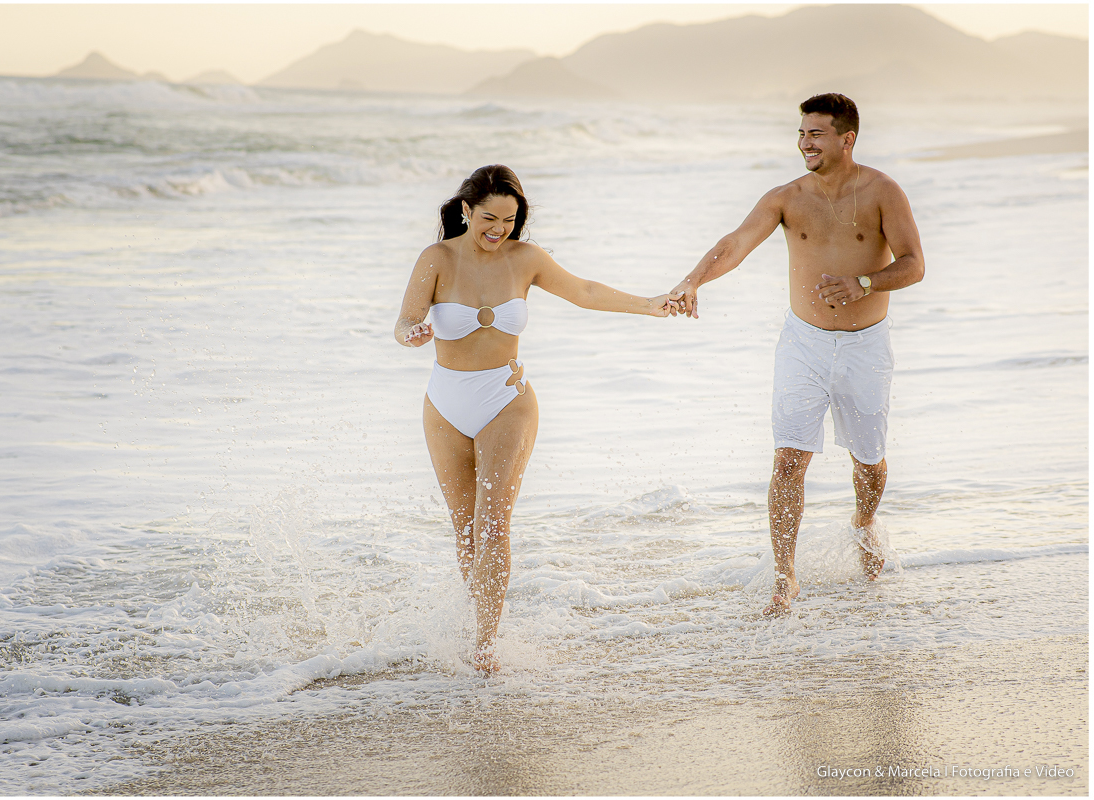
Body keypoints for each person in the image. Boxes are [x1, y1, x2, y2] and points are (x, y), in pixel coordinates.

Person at [396, 165, 677, 671]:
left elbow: (585, 292)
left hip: (506, 398)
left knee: (492, 521)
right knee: (465, 530)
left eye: (509, 218)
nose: (498, 228)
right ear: (466, 210)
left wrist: (650, 306)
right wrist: (411, 334)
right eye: (489, 217)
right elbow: (404, 320)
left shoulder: (525, 259)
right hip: (444, 403)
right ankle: (474, 622)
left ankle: (484, 646)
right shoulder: (435, 258)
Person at [669, 93, 925, 616]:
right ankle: (786, 575)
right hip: (803, 343)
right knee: (789, 459)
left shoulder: (882, 191)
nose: (805, 143)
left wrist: (864, 282)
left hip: (865, 345)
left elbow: (914, 264)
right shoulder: (787, 197)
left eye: (817, 134)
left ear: (847, 138)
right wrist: (694, 280)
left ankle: (863, 522)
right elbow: (735, 243)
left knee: (869, 462)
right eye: (802, 133)